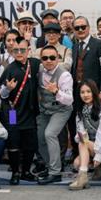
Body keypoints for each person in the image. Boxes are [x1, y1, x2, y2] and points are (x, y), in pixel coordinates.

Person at [0, 38, 40, 185]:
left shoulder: (34, 64)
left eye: (23, 50)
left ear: (28, 50)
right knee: (14, 141)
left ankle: (26, 171)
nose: (19, 53)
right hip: (13, 111)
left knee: (30, 143)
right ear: (12, 51)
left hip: (30, 112)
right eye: (16, 50)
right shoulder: (9, 69)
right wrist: (7, 89)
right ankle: (15, 172)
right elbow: (1, 94)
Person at [35, 45, 74, 185]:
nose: (49, 60)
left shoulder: (64, 75)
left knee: (50, 134)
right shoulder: (39, 70)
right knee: (39, 136)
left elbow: (69, 100)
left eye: (52, 57)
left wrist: (56, 91)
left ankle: (55, 172)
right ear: (41, 59)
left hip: (61, 109)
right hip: (45, 109)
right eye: (45, 58)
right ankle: (50, 165)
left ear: (58, 58)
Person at [69, 80, 101, 190]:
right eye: (82, 92)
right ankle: (84, 176)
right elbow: (80, 132)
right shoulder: (80, 110)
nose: (85, 95)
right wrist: (80, 137)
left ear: (94, 92)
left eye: (88, 91)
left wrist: (98, 154)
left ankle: (84, 176)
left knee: (83, 143)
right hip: (89, 146)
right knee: (76, 163)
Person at [70, 16, 101, 96]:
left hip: (95, 90)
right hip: (77, 91)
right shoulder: (74, 47)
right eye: (77, 28)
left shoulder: (100, 44)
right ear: (74, 30)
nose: (80, 30)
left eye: (83, 27)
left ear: (88, 28)